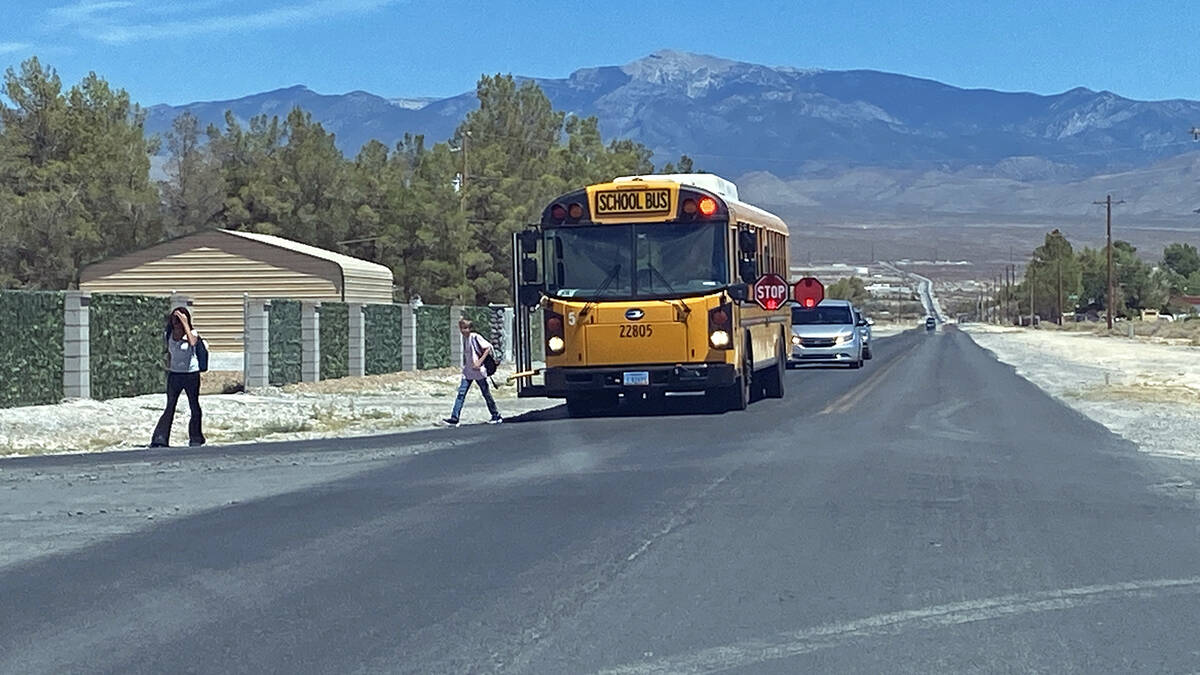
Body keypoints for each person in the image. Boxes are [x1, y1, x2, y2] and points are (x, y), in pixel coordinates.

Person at [151, 307, 206, 447]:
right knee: (170, 406)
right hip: (175, 374)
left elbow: (193, 342)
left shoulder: (192, 333)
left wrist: (185, 322)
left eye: (178, 320)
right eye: (174, 320)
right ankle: (160, 438)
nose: (176, 323)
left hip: (191, 374)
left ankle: (196, 438)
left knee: (194, 405)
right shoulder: (169, 333)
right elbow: (169, 352)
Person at [442, 318, 502, 426]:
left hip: (478, 371)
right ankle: (454, 418)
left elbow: (488, 348)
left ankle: (496, 415)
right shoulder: (465, 339)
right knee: (461, 394)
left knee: (486, 394)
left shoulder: (475, 337)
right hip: (468, 371)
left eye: (465, 328)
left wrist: (479, 362)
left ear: (470, 328)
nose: (463, 330)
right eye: (462, 328)